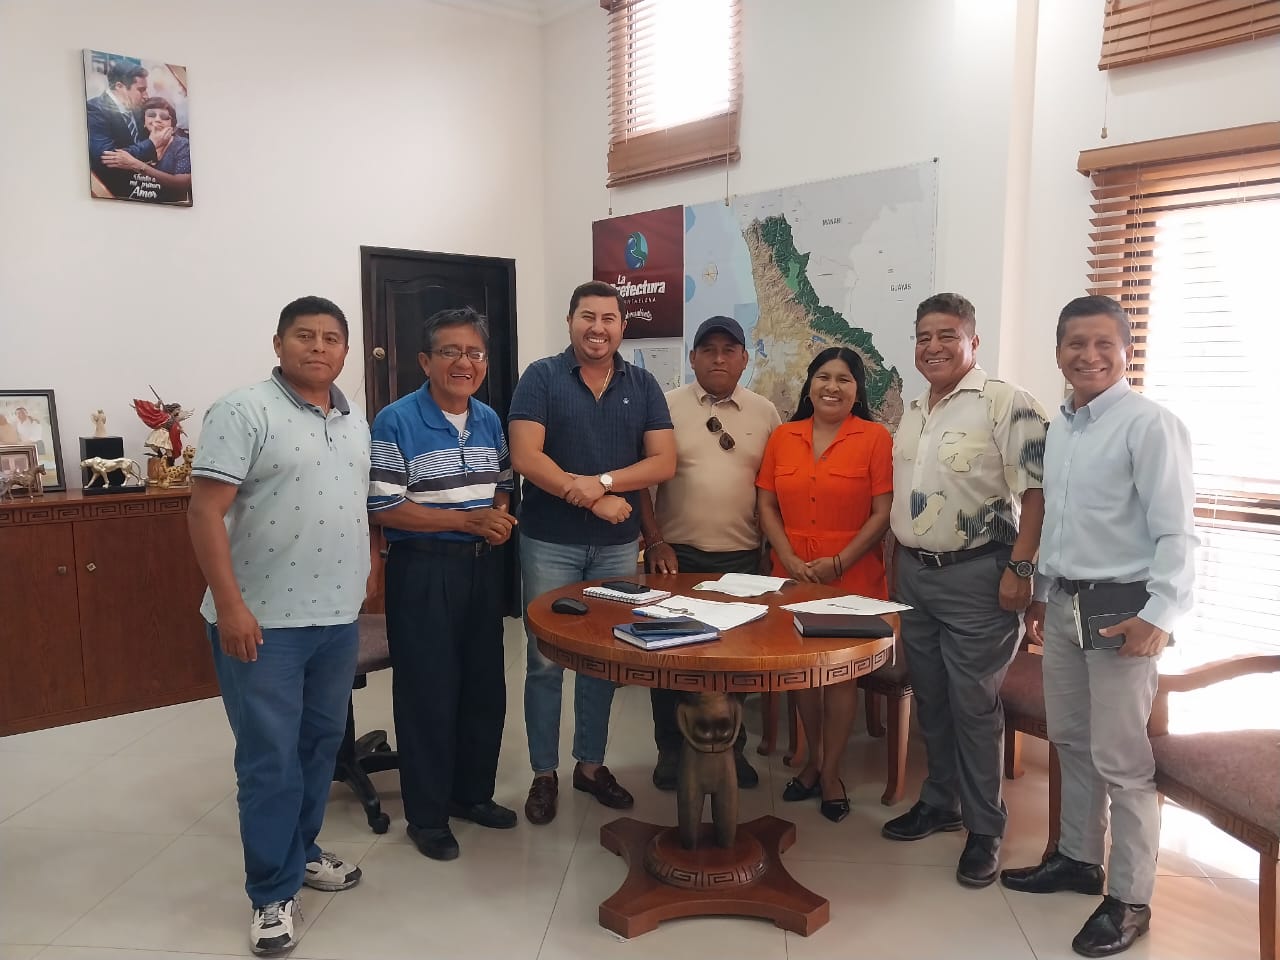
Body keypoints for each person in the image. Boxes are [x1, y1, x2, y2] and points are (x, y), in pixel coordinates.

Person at [1000, 296, 1197, 958]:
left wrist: (1158, 616)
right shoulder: (1063, 427)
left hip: (1122, 614)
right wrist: (1040, 595)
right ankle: (1078, 858)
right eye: (1075, 344)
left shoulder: (1149, 425)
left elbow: (1178, 534)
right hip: (1064, 605)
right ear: (1058, 352)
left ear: (1125, 350)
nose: (1088, 356)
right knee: (1072, 741)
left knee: (1122, 759)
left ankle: (1131, 898)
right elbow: (1057, 524)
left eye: (1103, 344)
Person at [187, 296, 370, 955]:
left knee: (319, 747)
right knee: (270, 759)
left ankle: (302, 851)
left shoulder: (354, 419)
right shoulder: (244, 410)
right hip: (262, 623)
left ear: (345, 350)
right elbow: (204, 512)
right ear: (278, 343)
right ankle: (271, 891)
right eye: (304, 336)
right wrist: (231, 606)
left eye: (331, 338)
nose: (318, 347)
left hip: (335, 619)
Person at [882, 292, 1048, 888]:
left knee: (974, 704)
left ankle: (985, 828)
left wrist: (1022, 571)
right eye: (923, 336)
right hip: (915, 575)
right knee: (931, 696)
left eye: (947, 335)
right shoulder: (914, 410)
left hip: (980, 575)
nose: (933, 347)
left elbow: (1038, 493)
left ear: (973, 342)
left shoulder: (1006, 402)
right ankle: (940, 801)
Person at [508, 280, 676, 825]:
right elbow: (526, 456)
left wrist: (601, 482)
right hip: (549, 542)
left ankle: (590, 764)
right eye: (587, 316)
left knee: (603, 657)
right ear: (570, 321)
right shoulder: (541, 377)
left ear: (622, 326)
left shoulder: (643, 384)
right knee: (544, 659)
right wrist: (589, 499)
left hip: (615, 549)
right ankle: (543, 773)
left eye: (608, 318)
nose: (597, 328)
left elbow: (663, 462)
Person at [368, 307, 518, 862]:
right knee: (428, 692)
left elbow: (504, 482)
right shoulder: (396, 420)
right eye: (450, 351)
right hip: (424, 568)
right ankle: (427, 817)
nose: (464, 362)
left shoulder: (489, 419)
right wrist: (466, 520)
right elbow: (385, 507)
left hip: (482, 567)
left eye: (474, 353)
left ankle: (471, 794)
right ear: (426, 361)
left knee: (484, 687)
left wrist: (496, 516)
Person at [639, 316, 781, 791]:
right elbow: (643, 480)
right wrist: (654, 540)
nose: (718, 358)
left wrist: (768, 550)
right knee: (669, 658)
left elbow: (774, 488)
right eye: (708, 350)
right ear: (693, 358)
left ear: (744, 359)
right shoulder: (665, 406)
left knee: (734, 662)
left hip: (742, 558)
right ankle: (670, 751)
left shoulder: (765, 413)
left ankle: (732, 751)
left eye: (729, 350)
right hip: (674, 557)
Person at [755, 346, 893, 822]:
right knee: (802, 675)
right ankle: (814, 760)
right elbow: (766, 504)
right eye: (823, 376)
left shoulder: (875, 438)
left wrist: (839, 561)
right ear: (809, 384)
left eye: (844, 379)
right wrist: (790, 559)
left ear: (857, 390)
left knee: (839, 676)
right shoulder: (783, 436)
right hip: (791, 575)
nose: (832, 387)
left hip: (852, 577)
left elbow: (882, 512)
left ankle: (831, 773)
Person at [86, 60, 164, 197]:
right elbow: (108, 158)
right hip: (117, 189)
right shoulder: (94, 109)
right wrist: (151, 144)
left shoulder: (137, 107)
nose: (146, 95)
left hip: (147, 181)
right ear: (119, 86)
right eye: (141, 90)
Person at [101, 96, 192, 203]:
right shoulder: (138, 143)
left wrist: (138, 165)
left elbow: (181, 184)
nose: (157, 119)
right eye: (151, 115)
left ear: (173, 123)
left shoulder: (183, 145)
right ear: (144, 121)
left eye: (164, 117)